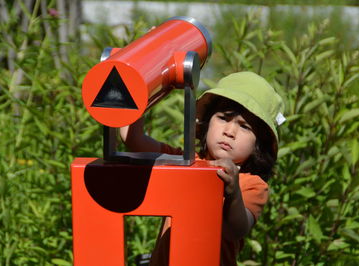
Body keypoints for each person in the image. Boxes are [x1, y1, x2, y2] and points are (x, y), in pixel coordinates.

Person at [120, 71, 285, 266]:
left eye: (244, 127)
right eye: (223, 118)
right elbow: (133, 138)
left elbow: (235, 230)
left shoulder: (250, 184)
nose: (229, 132)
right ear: (206, 123)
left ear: (259, 145)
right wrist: (141, 84)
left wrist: (232, 192)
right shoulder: (185, 161)